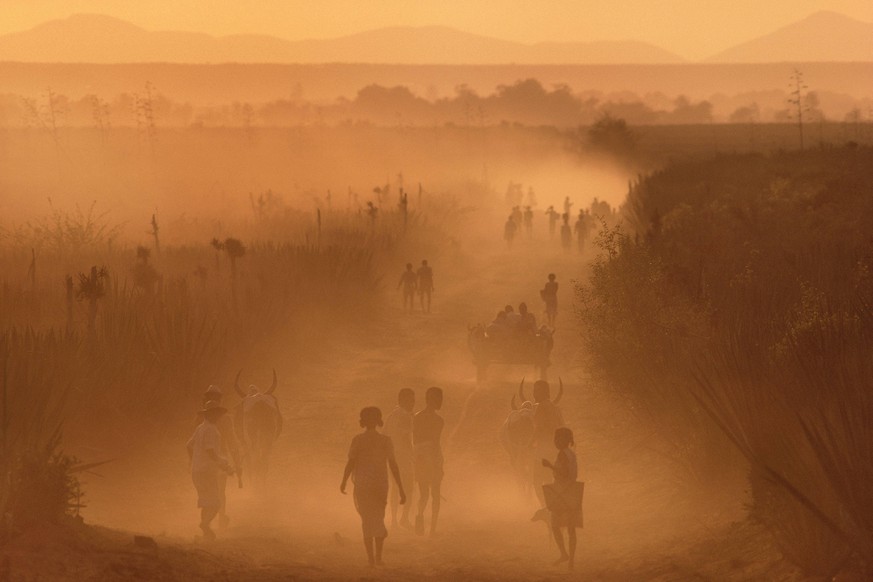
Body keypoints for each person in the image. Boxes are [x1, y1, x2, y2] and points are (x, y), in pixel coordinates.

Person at [341, 407, 406, 567]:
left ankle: (371, 558)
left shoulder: (358, 440)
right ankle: (377, 557)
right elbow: (393, 465)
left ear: (362, 421)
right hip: (379, 485)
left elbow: (351, 463)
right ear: (379, 420)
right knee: (378, 519)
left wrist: (343, 481)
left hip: (363, 485)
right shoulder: (385, 440)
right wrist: (401, 488)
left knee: (367, 520)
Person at [187, 400, 235, 541]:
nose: (218, 417)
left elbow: (188, 446)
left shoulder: (200, 428)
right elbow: (211, 451)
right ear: (211, 415)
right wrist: (224, 465)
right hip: (207, 472)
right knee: (216, 503)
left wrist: (193, 461)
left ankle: (205, 532)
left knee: (207, 501)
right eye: (216, 414)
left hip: (197, 471)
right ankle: (205, 525)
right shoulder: (211, 430)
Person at [541, 427, 583, 571]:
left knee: (555, 525)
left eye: (558, 439)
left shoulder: (562, 455)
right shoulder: (571, 454)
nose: (555, 442)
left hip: (562, 492)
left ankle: (564, 554)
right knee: (571, 529)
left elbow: (563, 473)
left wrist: (549, 466)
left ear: (564, 440)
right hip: (573, 491)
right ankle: (571, 560)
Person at [200, 385, 241, 529]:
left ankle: (207, 522)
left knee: (207, 492)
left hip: (203, 461)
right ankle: (219, 518)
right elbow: (232, 442)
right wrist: (237, 462)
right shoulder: (225, 419)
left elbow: (191, 444)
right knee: (220, 491)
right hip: (219, 460)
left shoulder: (200, 418)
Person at [413, 386, 444, 536]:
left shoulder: (417, 417)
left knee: (425, 493)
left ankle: (421, 519)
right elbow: (434, 443)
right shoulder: (438, 420)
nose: (441, 402)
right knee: (434, 494)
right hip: (428, 457)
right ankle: (431, 528)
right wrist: (437, 463)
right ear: (431, 400)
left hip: (420, 458)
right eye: (438, 399)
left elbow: (416, 441)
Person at [383, 389, 415, 529]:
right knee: (409, 487)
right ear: (402, 400)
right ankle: (404, 518)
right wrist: (414, 456)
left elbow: (384, 436)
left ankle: (394, 520)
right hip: (403, 457)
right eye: (411, 400)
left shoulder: (391, 416)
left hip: (392, 458)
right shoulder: (405, 416)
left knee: (395, 489)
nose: (413, 403)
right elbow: (406, 438)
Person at [531, 381, 565, 506]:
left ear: (544, 392)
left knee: (537, 481)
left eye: (536, 391)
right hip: (557, 450)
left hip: (544, 452)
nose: (534, 394)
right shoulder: (555, 408)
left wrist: (530, 443)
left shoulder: (541, 407)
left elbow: (538, 428)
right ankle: (552, 508)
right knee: (550, 481)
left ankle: (548, 508)